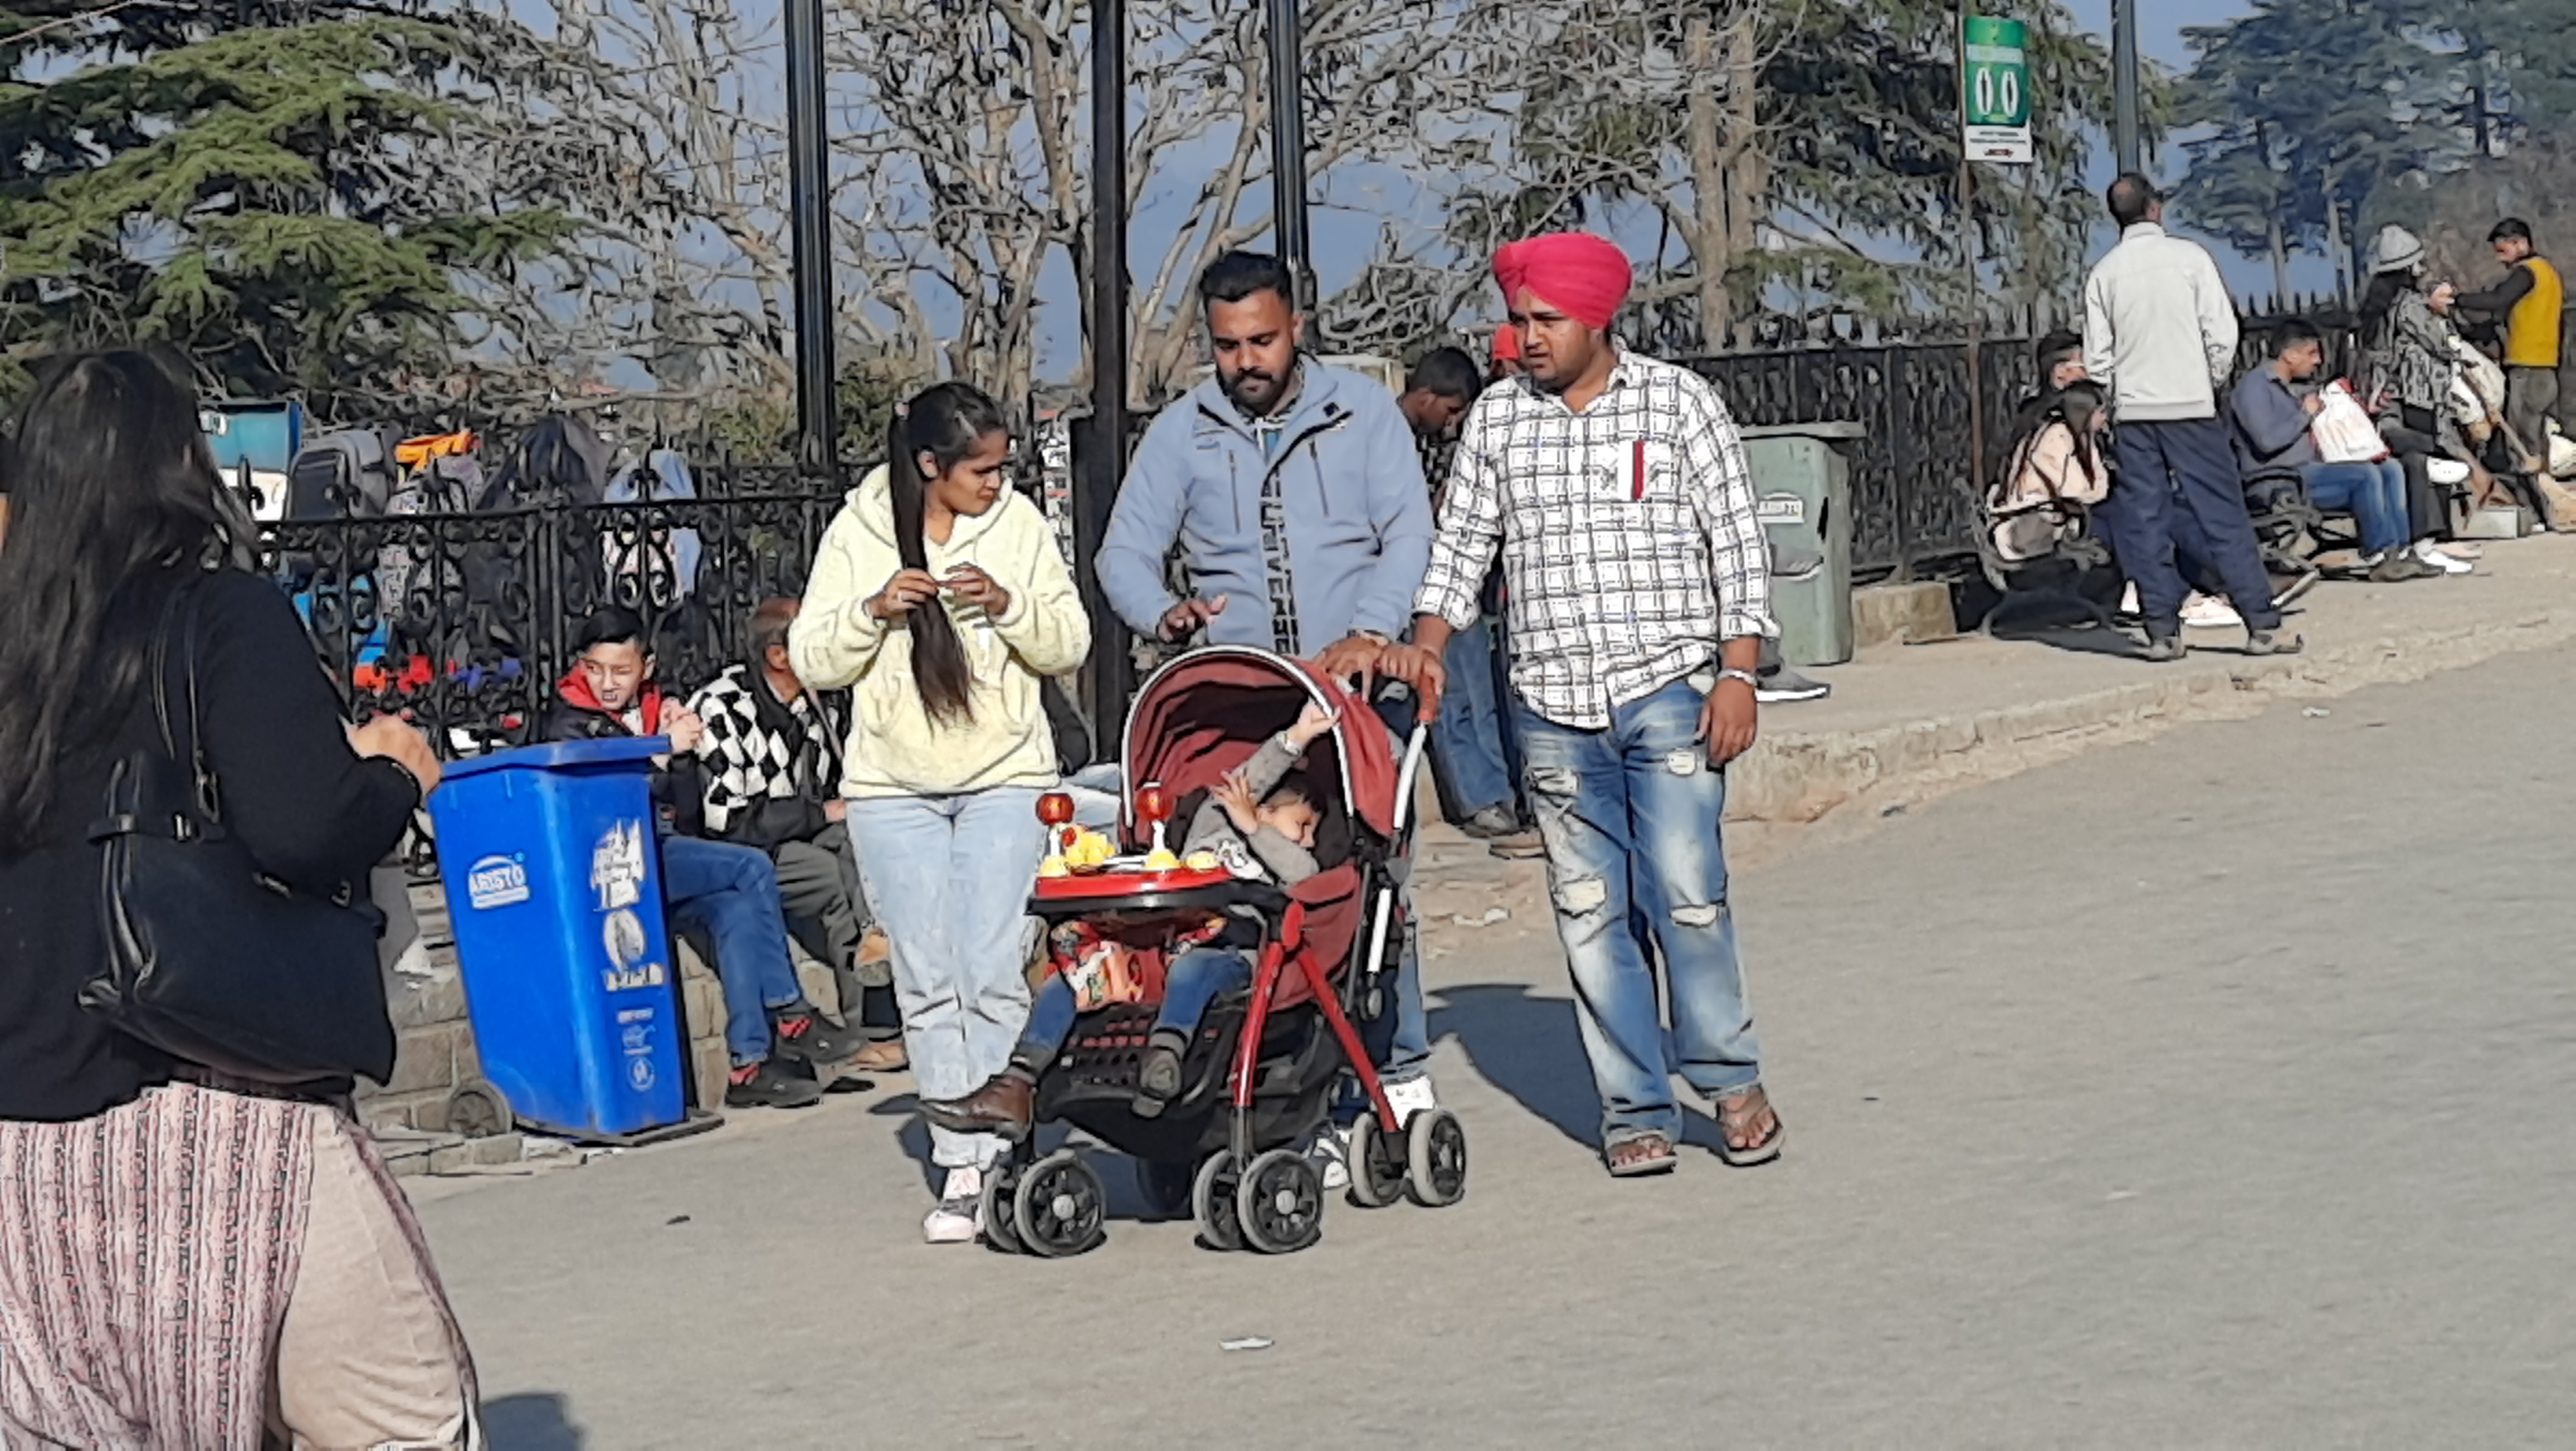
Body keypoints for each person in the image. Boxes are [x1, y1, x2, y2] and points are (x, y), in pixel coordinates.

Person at [0, 349, 479, 1447]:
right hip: (214, 1107)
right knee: (405, 1423)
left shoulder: (15, 652)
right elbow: (302, 826)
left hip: (21, 1150)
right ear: (179, 469)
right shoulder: (217, 615)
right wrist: (393, 773)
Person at [1384, 231, 1786, 1178]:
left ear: (1596, 319)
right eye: (1516, 320)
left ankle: (1727, 1079)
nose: (1526, 338)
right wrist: (1427, 650)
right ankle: (1634, 1104)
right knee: (1588, 908)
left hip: (1668, 689)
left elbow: (1734, 542)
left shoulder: (1677, 404)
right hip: (1553, 707)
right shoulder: (1495, 422)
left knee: (1686, 894)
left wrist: (1736, 672)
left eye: (1544, 321)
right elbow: (1459, 553)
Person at [1095, 249, 1444, 1138]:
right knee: (1259, 899)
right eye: (1227, 346)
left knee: (1369, 881)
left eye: (1262, 340)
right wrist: (1162, 611)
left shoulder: (1360, 413)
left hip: (1357, 692)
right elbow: (1123, 552)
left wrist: (1371, 629)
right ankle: (1290, 1081)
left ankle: (1395, 1067)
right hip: (1248, 708)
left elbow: (1408, 530)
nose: (1246, 362)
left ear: (1296, 328)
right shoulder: (1184, 432)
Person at [791, 381, 1091, 1244]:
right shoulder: (858, 528)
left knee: (994, 964)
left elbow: (1069, 640)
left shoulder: (1021, 528)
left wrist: (1008, 605)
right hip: (893, 788)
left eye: (1003, 469)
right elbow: (813, 652)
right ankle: (962, 1160)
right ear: (931, 466)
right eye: (981, 471)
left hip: (1005, 775)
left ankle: (1009, 1141)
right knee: (926, 976)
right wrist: (874, 611)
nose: (996, 485)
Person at [924, 701, 1337, 1136]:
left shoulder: (1284, 860)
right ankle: (1017, 1082)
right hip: (1159, 946)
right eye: (1303, 824)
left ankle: (1164, 1056)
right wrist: (1296, 738)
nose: (1309, 840)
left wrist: (1256, 829)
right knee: (1075, 973)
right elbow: (1250, 779)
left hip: (1230, 951)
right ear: (1266, 806)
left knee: (1195, 966)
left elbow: (1303, 875)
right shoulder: (1213, 827)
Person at [545, 607, 867, 1108]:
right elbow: (608, 799)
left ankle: (749, 1065)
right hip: (619, 863)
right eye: (595, 669)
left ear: (646, 667)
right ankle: (791, 1011)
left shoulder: (658, 709)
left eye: (621, 670)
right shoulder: (570, 720)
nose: (607, 683)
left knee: (735, 912)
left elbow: (687, 803)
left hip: (662, 851)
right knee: (750, 866)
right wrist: (658, 751)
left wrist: (676, 749)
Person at [2082, 173, 2301, 661]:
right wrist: (2208, 380)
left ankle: (2162, 629)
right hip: (2191, 408)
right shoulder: (2190, 260)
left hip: (2136, 414)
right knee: (2223, 515)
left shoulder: (2105, 274)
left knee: (2146, 519)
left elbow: (2098, 359)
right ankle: (2260, 622)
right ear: (2155, 209)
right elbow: (2223, 334)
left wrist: (2120, 393)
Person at [685, 596, 907, 1073]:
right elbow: (726, 821)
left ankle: (882, 973)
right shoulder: (723, 706)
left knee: (864, 847)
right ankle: (872, 1026)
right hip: (745, 851)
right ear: (779, 656)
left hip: (803, 831)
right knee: (830, 877)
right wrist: (819, 812)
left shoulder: (819, 702)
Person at [1400, 347, 1535, 851]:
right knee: (1450, 694)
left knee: (1481, 693)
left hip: (1465, 581)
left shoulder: (1440, 442)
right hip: (1420, 585)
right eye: (1451, 411)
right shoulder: (1386, 439)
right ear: (1426, 396)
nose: (1453, 424)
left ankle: (1501, 793)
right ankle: (1478, 798)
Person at [2230, 318, 2438, 584]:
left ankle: (2400, 551)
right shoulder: (2254, 388)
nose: (2317, 361)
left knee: (2391, 469)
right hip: (2279, 481)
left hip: (2307, 474)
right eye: (2311, 353)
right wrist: (2305, 414)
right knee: (2364, 475)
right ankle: (2378, 556)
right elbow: (2267, 441)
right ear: (2290, 354)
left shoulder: (2289, 387)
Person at [2358, 225, 2489, 558]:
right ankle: (2439, 536)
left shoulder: (2379, 307)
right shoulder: (2410, 305)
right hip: (2420, 392)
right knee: (2436, 458)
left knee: (2425, 461)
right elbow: (2437, 342)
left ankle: (2435, 535)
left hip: (2396, 393)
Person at [2454, 218, 2563, 473]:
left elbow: (2497, 299)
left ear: (2521, 243)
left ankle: (2533, 501)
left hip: (2528, 369)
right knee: (2536, 439)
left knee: (2523, 446)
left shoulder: (2527, 272)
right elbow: (2502, 314)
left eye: (2504, 251)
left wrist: (2456, 300)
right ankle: (2545, 495)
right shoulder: (2548, 273)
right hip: (2546, 368)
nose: (2501, 260)